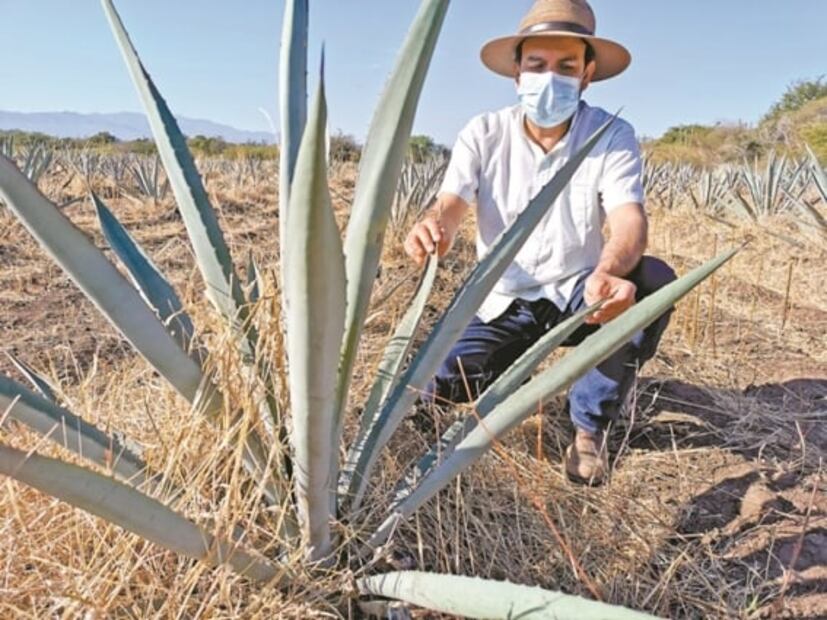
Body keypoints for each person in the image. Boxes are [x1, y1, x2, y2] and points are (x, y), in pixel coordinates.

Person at [404, 0, 676, 485]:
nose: (551, 77)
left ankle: (589, 427)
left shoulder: (611, 135)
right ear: (517, 73)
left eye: (566, 66)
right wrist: (434, 227)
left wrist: (609, 270)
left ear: (587, 74)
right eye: (538, 64)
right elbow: (450, 204)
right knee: (431, 387)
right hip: (501, 300)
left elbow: (629, 219)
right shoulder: (483, 134)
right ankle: (500, 380)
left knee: (652, 281)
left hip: (582, 294)